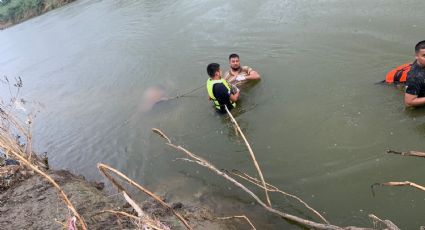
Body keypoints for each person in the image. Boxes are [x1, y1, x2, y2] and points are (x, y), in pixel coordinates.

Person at [404, 40, 425, 107]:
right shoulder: (415, 77)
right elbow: (409, 102)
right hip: (404, 85)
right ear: (416, 56)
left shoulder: (421, 62)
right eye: (424, 56)